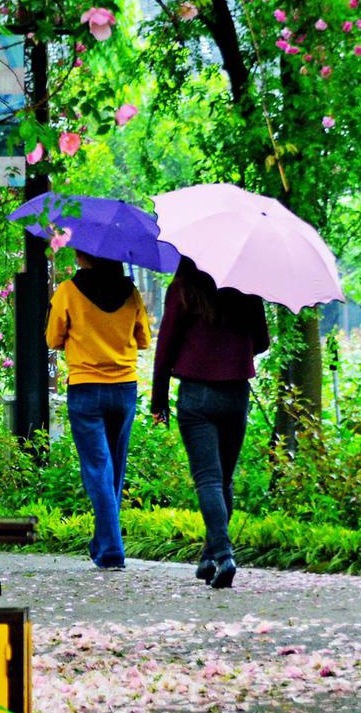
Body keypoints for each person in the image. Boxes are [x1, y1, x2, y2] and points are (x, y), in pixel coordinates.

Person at [151, 257, 270, 589]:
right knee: (223, 480)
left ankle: (223, 554)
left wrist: (158, 400)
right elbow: (261, 341)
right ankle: (209, 556)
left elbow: (166, 346)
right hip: (235, 394)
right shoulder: (245, 287)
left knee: (208, 479)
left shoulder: (183, 288)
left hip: (196, 395)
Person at [47, 249, 152, 569]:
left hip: (86, 389)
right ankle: (103, 541)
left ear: (84, 256)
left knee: (97, 469)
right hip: (124, 389)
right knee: (113, 470)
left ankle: (111, 550)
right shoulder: (130, 292)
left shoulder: (67, 291)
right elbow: (144, 339)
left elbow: (53, 338)